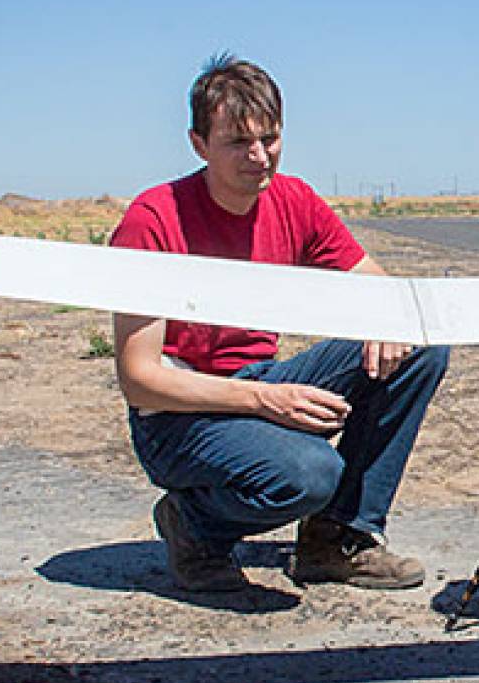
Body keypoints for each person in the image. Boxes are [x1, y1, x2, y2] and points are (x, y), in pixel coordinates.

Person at [111, 55, 448, 594]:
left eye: (270, 138)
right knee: (310, 475)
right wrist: (268, 404)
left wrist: (387, 315)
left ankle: (336, 537)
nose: (259, 156)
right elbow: (140, 379)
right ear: (198, 144)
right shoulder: (153, 219)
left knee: (422, 345)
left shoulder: (293, 200)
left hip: (261, 379)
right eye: (238, 142)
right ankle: (193, 527)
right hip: (179, 414)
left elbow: (378, 284)